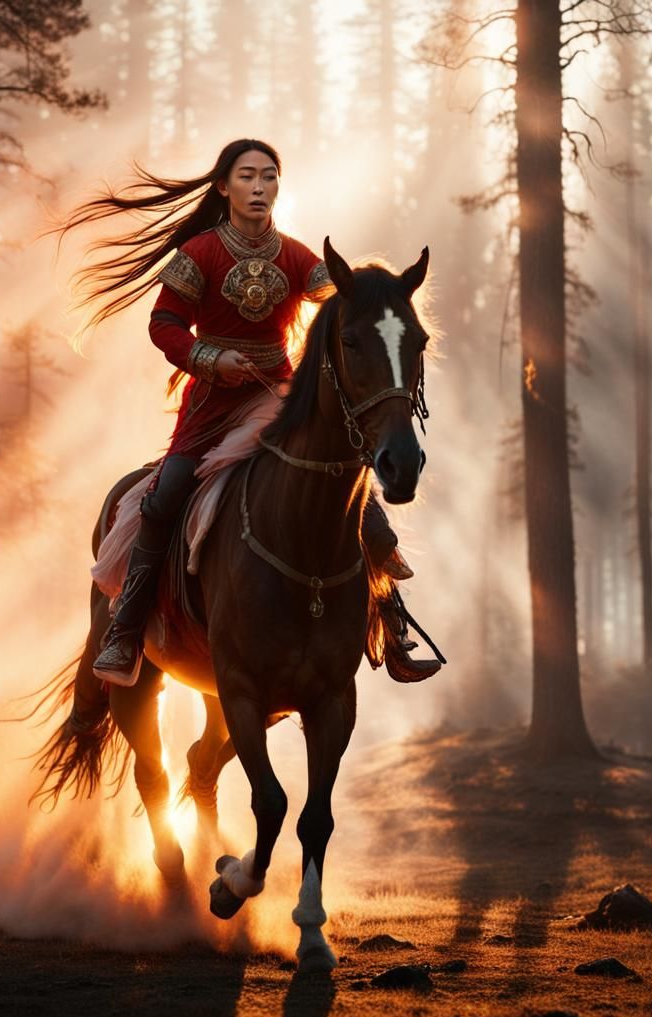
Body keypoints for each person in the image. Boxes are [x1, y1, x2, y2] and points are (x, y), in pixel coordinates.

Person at [63, 138, 423, 688]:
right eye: (248, 177)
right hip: (211, 402)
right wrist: (211, 357)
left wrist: (373, 297)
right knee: (164, 498)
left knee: (347, 481)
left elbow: (341, 304)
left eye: (270, 177)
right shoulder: (199, 254)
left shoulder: (300, 255)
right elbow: (164, 325)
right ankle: (126, 630)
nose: (260, 187)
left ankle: (391, 622)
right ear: (223, 187)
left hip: (278, 394)